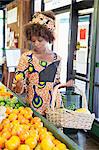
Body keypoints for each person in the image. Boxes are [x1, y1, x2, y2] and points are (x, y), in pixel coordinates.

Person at [12, 11, 73, 115]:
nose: (36, 44)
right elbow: (17, 90)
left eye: (40, 40)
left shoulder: (57, 58)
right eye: (33, 40)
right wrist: (19, 84)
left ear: (48, 38)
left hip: (54, 109)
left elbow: (55, 84)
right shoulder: (27, 58)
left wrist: (65, 85)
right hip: (34, 109)